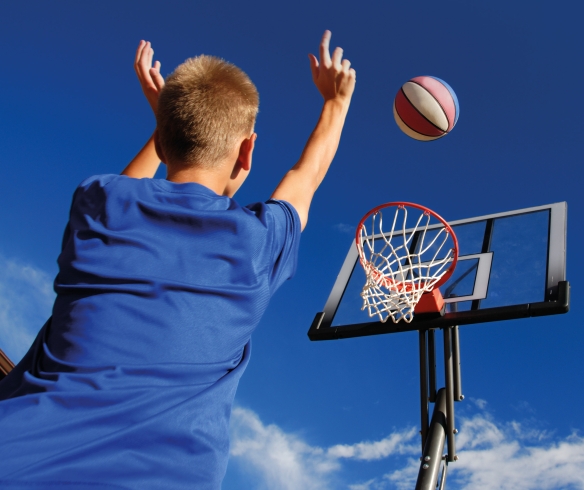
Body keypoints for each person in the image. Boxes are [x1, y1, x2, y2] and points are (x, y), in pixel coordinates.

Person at [0, 31, 355, 488]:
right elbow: (305, 177)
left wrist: (165, 121)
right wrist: (336, 101)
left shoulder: (100, 202)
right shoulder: (257, 242)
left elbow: (130, 184)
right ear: (247, 151)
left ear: (163, 143)